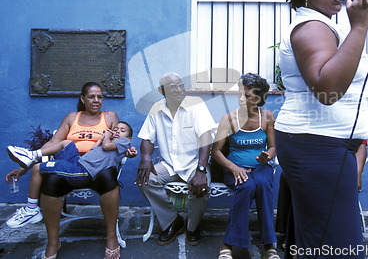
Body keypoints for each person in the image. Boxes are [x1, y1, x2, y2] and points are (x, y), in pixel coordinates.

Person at [275, 0, 368, 258]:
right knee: (338, 246)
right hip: (317, 146)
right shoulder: (312, 27)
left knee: (316, 237)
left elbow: (335, 77)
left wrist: (366, 96)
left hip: (321, 142)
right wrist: (361, 26)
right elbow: (325, 90)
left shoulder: (325, 26)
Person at [5, 82, 126, 259]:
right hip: (71, 163)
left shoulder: (109, 116)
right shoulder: (72, 117)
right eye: (91, 96)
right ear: (82, 99)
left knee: (109, 177)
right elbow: (53, 143)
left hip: (99, 165)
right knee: (51, 182)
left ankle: (111, 238)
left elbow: (121, 138)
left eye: (100, 97)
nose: (96, 100)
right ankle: (53, 242)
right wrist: (24, 168)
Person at [135, 72, 216, 246]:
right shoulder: (156, 108)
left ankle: (192, 227)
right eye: (173, 87)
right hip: (169, 165)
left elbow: (205, 137)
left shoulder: (196, 105)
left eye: (181, 85)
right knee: (145, 179)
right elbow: (147, 138)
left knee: (202, 188)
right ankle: (173, 221)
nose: (179, 89)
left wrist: (201, 170)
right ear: (162, 90)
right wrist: (146, 156)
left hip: (195, 163)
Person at [211, 73, 279, 259]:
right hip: (235, 167)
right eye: (240, 94)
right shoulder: (229, 119)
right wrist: (234, 168)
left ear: (258, 98)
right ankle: (229, 243)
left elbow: (273, 146)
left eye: (247, 95)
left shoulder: (267, 117)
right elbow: (215, 151)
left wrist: (268, 156)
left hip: (261, 167)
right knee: (246, 186)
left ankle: (269, 245)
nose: (241, 98)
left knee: (264, 186)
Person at [7, 121, 136, 203]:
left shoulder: (123, 142)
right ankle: (31, 154)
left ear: (129, 138)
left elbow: (107, 147)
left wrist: (107, 138)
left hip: (83, 171)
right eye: (116, 129)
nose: (117, 131)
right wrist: (101, 139)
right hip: (78, 162)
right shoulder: (112, 142)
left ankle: (31, 208)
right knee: (66, 143)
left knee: (37, 168)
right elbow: (94, 150)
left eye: (122, 130)